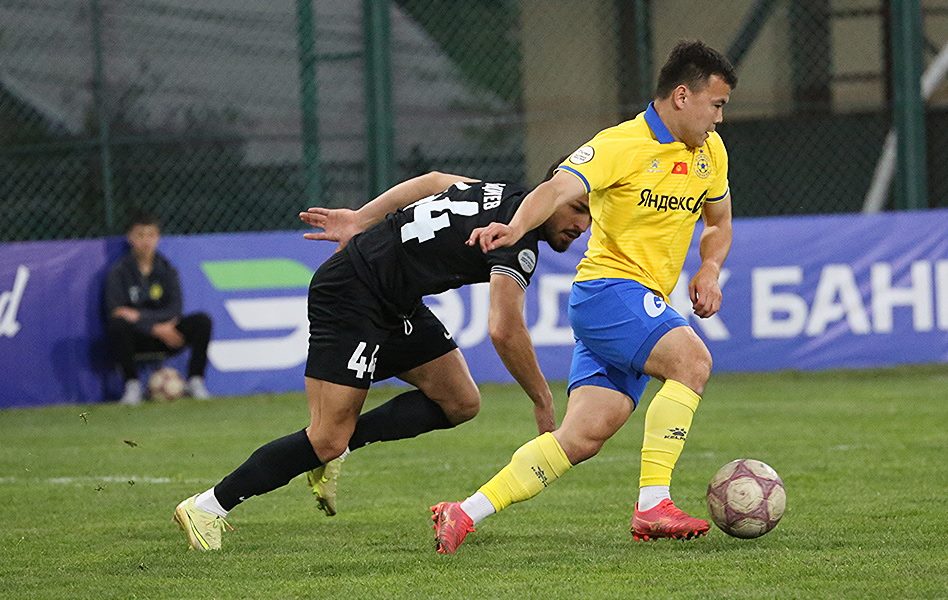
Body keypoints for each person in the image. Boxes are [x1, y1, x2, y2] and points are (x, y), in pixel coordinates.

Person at [172, 164, 591, 551]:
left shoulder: (501, 194)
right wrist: (542, 399)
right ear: (550, 192)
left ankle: (338, 450)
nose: (583, 225)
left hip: (395, 301)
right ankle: (208, 506)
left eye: (591, 215)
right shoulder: (517, 242)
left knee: (460, 401)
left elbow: (432, 181)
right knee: (325, 437)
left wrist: (361, 218)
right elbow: (505, 329)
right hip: (352, 293)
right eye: (577, 208)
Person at [430, 40, 737, 553]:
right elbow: (555, 189)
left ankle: (464, 512)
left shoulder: (711, 153)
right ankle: (653, 504)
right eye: (717, 104)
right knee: (693, 362)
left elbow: (719, 221)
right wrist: (514, 227)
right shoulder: (620, 144)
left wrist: (709, 268)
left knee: (582, 438)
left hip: (631, 304)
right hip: (609, 292)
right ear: (683, 96)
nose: (720, 119)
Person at [105, 212, 213, 405]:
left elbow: (174, 309)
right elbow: (115, 311)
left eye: (151, 235)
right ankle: (132, 385)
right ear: (130, 238)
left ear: (157, 238)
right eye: (140, 235)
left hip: (169, 336)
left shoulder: (167, 269)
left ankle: (195, 381)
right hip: (137, 337)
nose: (146, 241)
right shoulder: (118, 272)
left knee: (202, 321)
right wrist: (153, 328)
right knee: (118, 324)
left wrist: (139, 316)